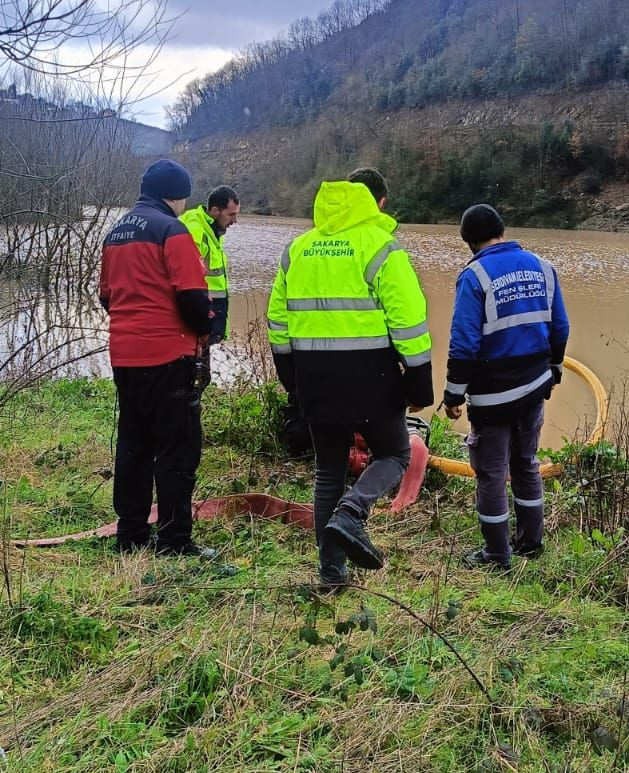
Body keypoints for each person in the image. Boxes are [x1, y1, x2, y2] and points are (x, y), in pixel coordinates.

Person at [266, 167, 433, 586]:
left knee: (328, 471)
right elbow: (409, 323)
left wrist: (293, 382)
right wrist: (418, 385)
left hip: (314, 379)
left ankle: (331, 574)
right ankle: (353, 511)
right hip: (372, 377)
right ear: (378, 203)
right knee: (395, 454)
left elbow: (278, 325)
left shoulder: (297, 249)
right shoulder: (382, 247)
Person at [443, 204, 569, 572]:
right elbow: (560, 328)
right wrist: (555, 368)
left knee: (491, 472)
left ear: (469, 242)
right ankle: (531, 542)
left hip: (493, 396)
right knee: (526, 463)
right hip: (533, 388)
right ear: (502, 229)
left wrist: (453, 395)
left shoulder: (474, 276)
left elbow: (463, 343)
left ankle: (497, 556)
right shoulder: (543, 268)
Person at [99, 158, 215, 558]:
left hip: (125, 355)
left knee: (134, 443)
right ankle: (174, 541)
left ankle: (130, 535)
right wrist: (208, 326)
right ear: (177, 196)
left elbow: (106, 298)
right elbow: (193, 299)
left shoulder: (115, 234)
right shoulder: (173, 230)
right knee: (177, 450)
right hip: (169, 355)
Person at [180, 186, 240, 355]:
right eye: (231, 215)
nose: (235, 221)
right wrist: (201, 327)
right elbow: (187, 286)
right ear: (214, 211)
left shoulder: (211, 232)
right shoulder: (196, 232)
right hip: (196, 330)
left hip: (203, 327)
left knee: (202, 378)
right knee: (194, 378)